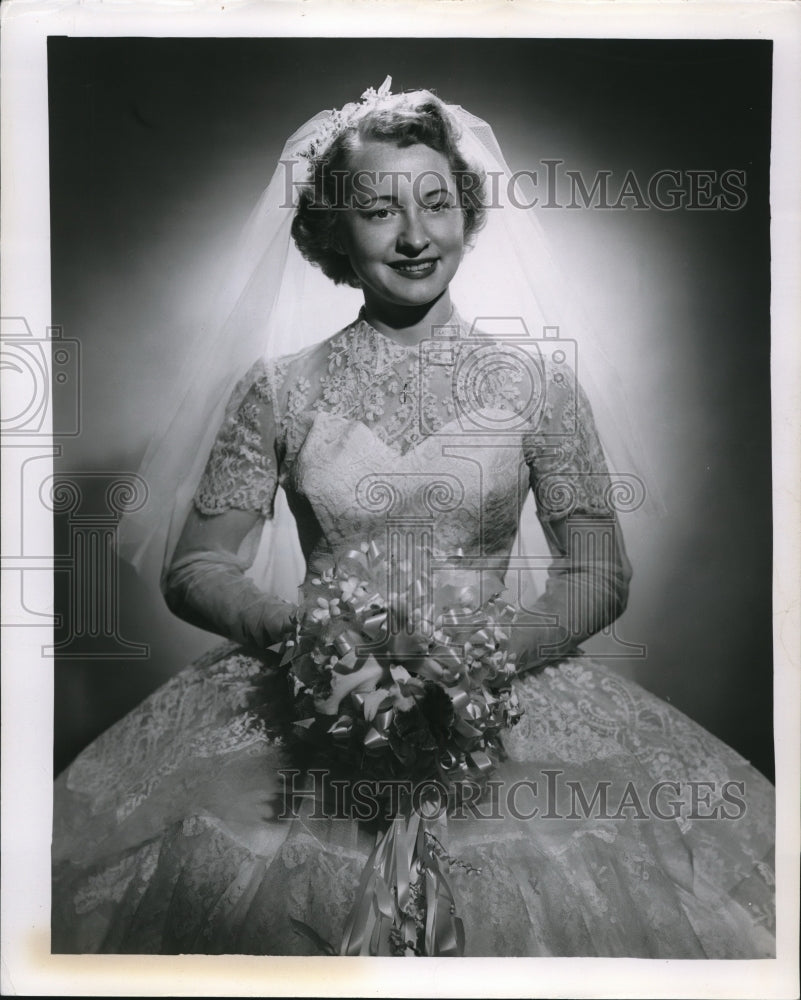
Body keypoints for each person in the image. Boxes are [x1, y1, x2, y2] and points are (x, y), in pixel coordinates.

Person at [51, 82, 775, 957]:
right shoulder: (280, 388)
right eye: (378, 211)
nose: (413, 235)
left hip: (500, 704)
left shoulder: (536, 382)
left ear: (466, 215)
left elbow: (598, 569)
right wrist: (318, 642)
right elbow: (197, 566)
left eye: (436, 203)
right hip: (317, 709)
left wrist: (481, 659)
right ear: (331, 231)